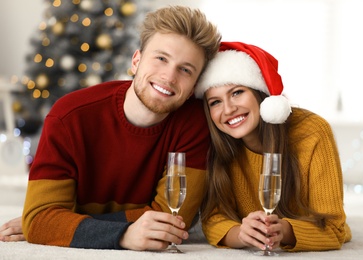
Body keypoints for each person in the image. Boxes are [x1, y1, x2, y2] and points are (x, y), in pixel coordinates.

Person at [0, 5, 221, 250]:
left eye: (185, 69)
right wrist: (123, 234)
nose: (169, 76)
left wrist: (63, 222)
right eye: (161, 58)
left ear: (193, 87)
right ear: (136, 61)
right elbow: (40, 219)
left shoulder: (194, 125)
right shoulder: (69, 117)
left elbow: (171, 219)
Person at [195, 41, 352, 252]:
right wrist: (242, 233)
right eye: (215, 102)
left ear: (262, 95)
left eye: (237, 92)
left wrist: (284, 231)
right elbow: (213, 219)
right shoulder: (217, 142)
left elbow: (334, 228)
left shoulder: (313, 131)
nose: (228, 109)